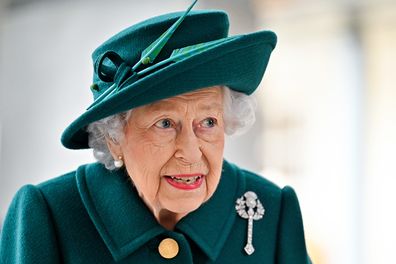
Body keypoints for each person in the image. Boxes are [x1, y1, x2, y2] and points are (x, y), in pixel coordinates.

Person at [0, 1, 311, 263]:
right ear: (114, 137)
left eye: (208, 122)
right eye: (164, 124)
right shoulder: (49, 216)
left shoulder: (271, 211)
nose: (190, 152)